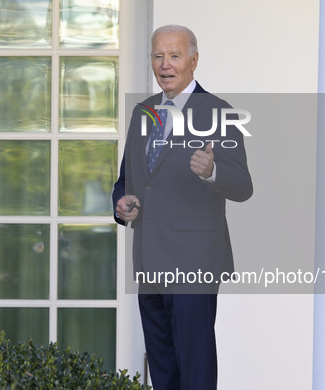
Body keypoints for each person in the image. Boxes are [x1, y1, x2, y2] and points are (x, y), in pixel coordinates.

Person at [112, 25, 253, 389]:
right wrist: (122, 203)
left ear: (194, 60)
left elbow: (243, 186)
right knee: (163, 366)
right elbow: (126, 181)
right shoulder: (143, 112)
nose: (165, 64)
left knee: (195, 364)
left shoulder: (219, 112)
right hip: (149, 259)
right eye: (158, 56)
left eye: (174, 56)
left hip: (194, 262)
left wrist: (213, 171)